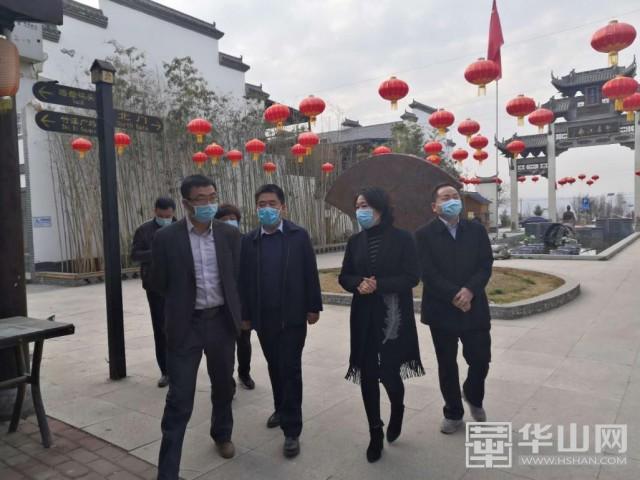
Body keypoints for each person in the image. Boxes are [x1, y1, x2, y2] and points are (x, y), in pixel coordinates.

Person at [151, 174, 243, 479]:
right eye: (201, 199)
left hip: (220, 322)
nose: (208, 204)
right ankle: (168, 471)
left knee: (223, 385)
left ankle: (222, 433)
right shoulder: (166, 238)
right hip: (185, 325)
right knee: (179, 398)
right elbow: (158, 282)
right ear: (186, 203)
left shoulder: (229, 235)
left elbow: (236, 277)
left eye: (212, 197)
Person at [339, 187, 425, 463]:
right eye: (357, 206)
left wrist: (379, 285)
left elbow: (412, 276)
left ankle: (397, 408)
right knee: (367, 374)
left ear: (380, 208)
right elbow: (344, 276)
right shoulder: (355, 241)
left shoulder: (403, 238)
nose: (360, 210)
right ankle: (375, 431)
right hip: (363, 316)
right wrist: (358, 283)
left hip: (392, 316)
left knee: (389, 373)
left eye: (365, 205)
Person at [240, 184, 322, 458]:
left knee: (290, 369)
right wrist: (245, 315)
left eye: (272, 204)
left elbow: (310, 272)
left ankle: (292, 430)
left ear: (283, 207)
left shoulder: (298, 236)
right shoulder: (249, 241)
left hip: (293, 317)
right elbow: (244, 281)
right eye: (261, 204)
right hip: (264, 318)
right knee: (275, 366)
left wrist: (313, 307)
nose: (267, 208)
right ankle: (280, 408)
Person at [415, 183, 493, 435]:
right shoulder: (423, 235)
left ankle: (472, 394)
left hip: (474, 306)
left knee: (480, 359)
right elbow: (426, 272)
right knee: (447, 364)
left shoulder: (476, 230)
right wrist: (454, 294)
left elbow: (485, 264)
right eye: (445, 198)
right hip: (441, 309)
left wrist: (469, 290)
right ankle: (453, 412)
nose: (452, 200)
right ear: (434, 206)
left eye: (455, 196)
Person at [131, 197, 176, 388]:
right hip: (155, 287)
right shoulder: (144, 230)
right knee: (161, 329)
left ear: (173, 212)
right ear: (155, 211)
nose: (165, 219)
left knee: (181, 328)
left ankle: (180, 367)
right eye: (161, 216)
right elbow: (135, 255)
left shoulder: (182, 228)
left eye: (168, 216)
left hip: (179, 286)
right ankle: (165, 371)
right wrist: (156, 253)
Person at [214, 203, 255, 390]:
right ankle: (226, 381)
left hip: (241, 302)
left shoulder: (246, 241)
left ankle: (244, 373)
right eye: (225, 220)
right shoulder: (212, 243)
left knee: (244, 342)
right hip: (220, 303)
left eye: (233, 219)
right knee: (224, 346)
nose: (230, 222)